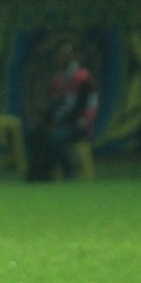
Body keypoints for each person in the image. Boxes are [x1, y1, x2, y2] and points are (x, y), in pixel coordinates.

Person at [27, 40, 99, 180]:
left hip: (77, 124)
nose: (61, 58)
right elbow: (54, 107)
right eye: (59, 55)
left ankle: (69, 172)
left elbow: (89, 103)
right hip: (59, 124)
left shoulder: (83, 77)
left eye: (66, 54)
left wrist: (84, 120)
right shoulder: (57, 80)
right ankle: (42, 173)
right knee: (34, 137)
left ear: (73, 56)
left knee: (55, 138)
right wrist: (47, 120)